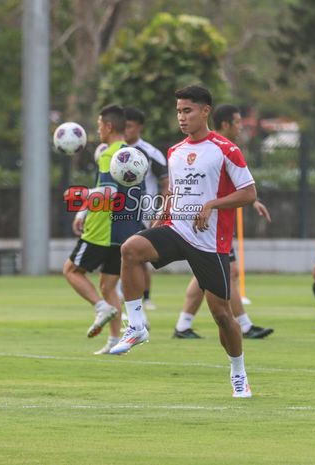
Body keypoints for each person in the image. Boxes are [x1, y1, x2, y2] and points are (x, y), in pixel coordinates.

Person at [110, 85, 257, 398]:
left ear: (205, 111)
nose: (181, 117)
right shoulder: (174, 151)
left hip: (209, 242)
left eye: (187, 110)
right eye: (178, 111)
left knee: (222, 315)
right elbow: (175, 192)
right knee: (131, 249)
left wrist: (212, 205)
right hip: (177, 230)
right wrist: (161, 215)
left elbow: (249, 193)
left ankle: (238, 372)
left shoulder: (225, 149)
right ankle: (136, 325)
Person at [172, 103, 274, 340]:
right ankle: (243, 326)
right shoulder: (212, 149)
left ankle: (184, 324)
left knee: (215, 274)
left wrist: (253, 201)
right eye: (237, 122)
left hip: (217, 224)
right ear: (226, 124)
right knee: (224, 272)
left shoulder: (226, 149)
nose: (240, 127)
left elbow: (239, 187)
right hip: (208, 226)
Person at [62, 104, 146, 354]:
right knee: (109, 285)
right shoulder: (132, 154)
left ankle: (101, 308)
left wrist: (83, 202)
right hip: (126, 230)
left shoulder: (110, 155)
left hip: (103, 228)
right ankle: (113, 341)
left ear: (108, 126)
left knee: (71, 270)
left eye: (99, 125)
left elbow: (107, 193)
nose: (98, 129)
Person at [122, 106, 169, 312]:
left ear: (139, 127)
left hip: (144, 213)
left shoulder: (150, 153)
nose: (126, 130)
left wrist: (159, 213)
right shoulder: (116, 151)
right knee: (122, 256)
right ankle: (124, 299)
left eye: (130, 126)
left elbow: (167, 184)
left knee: (139, 258)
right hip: (119, 212)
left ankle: (145, 298)